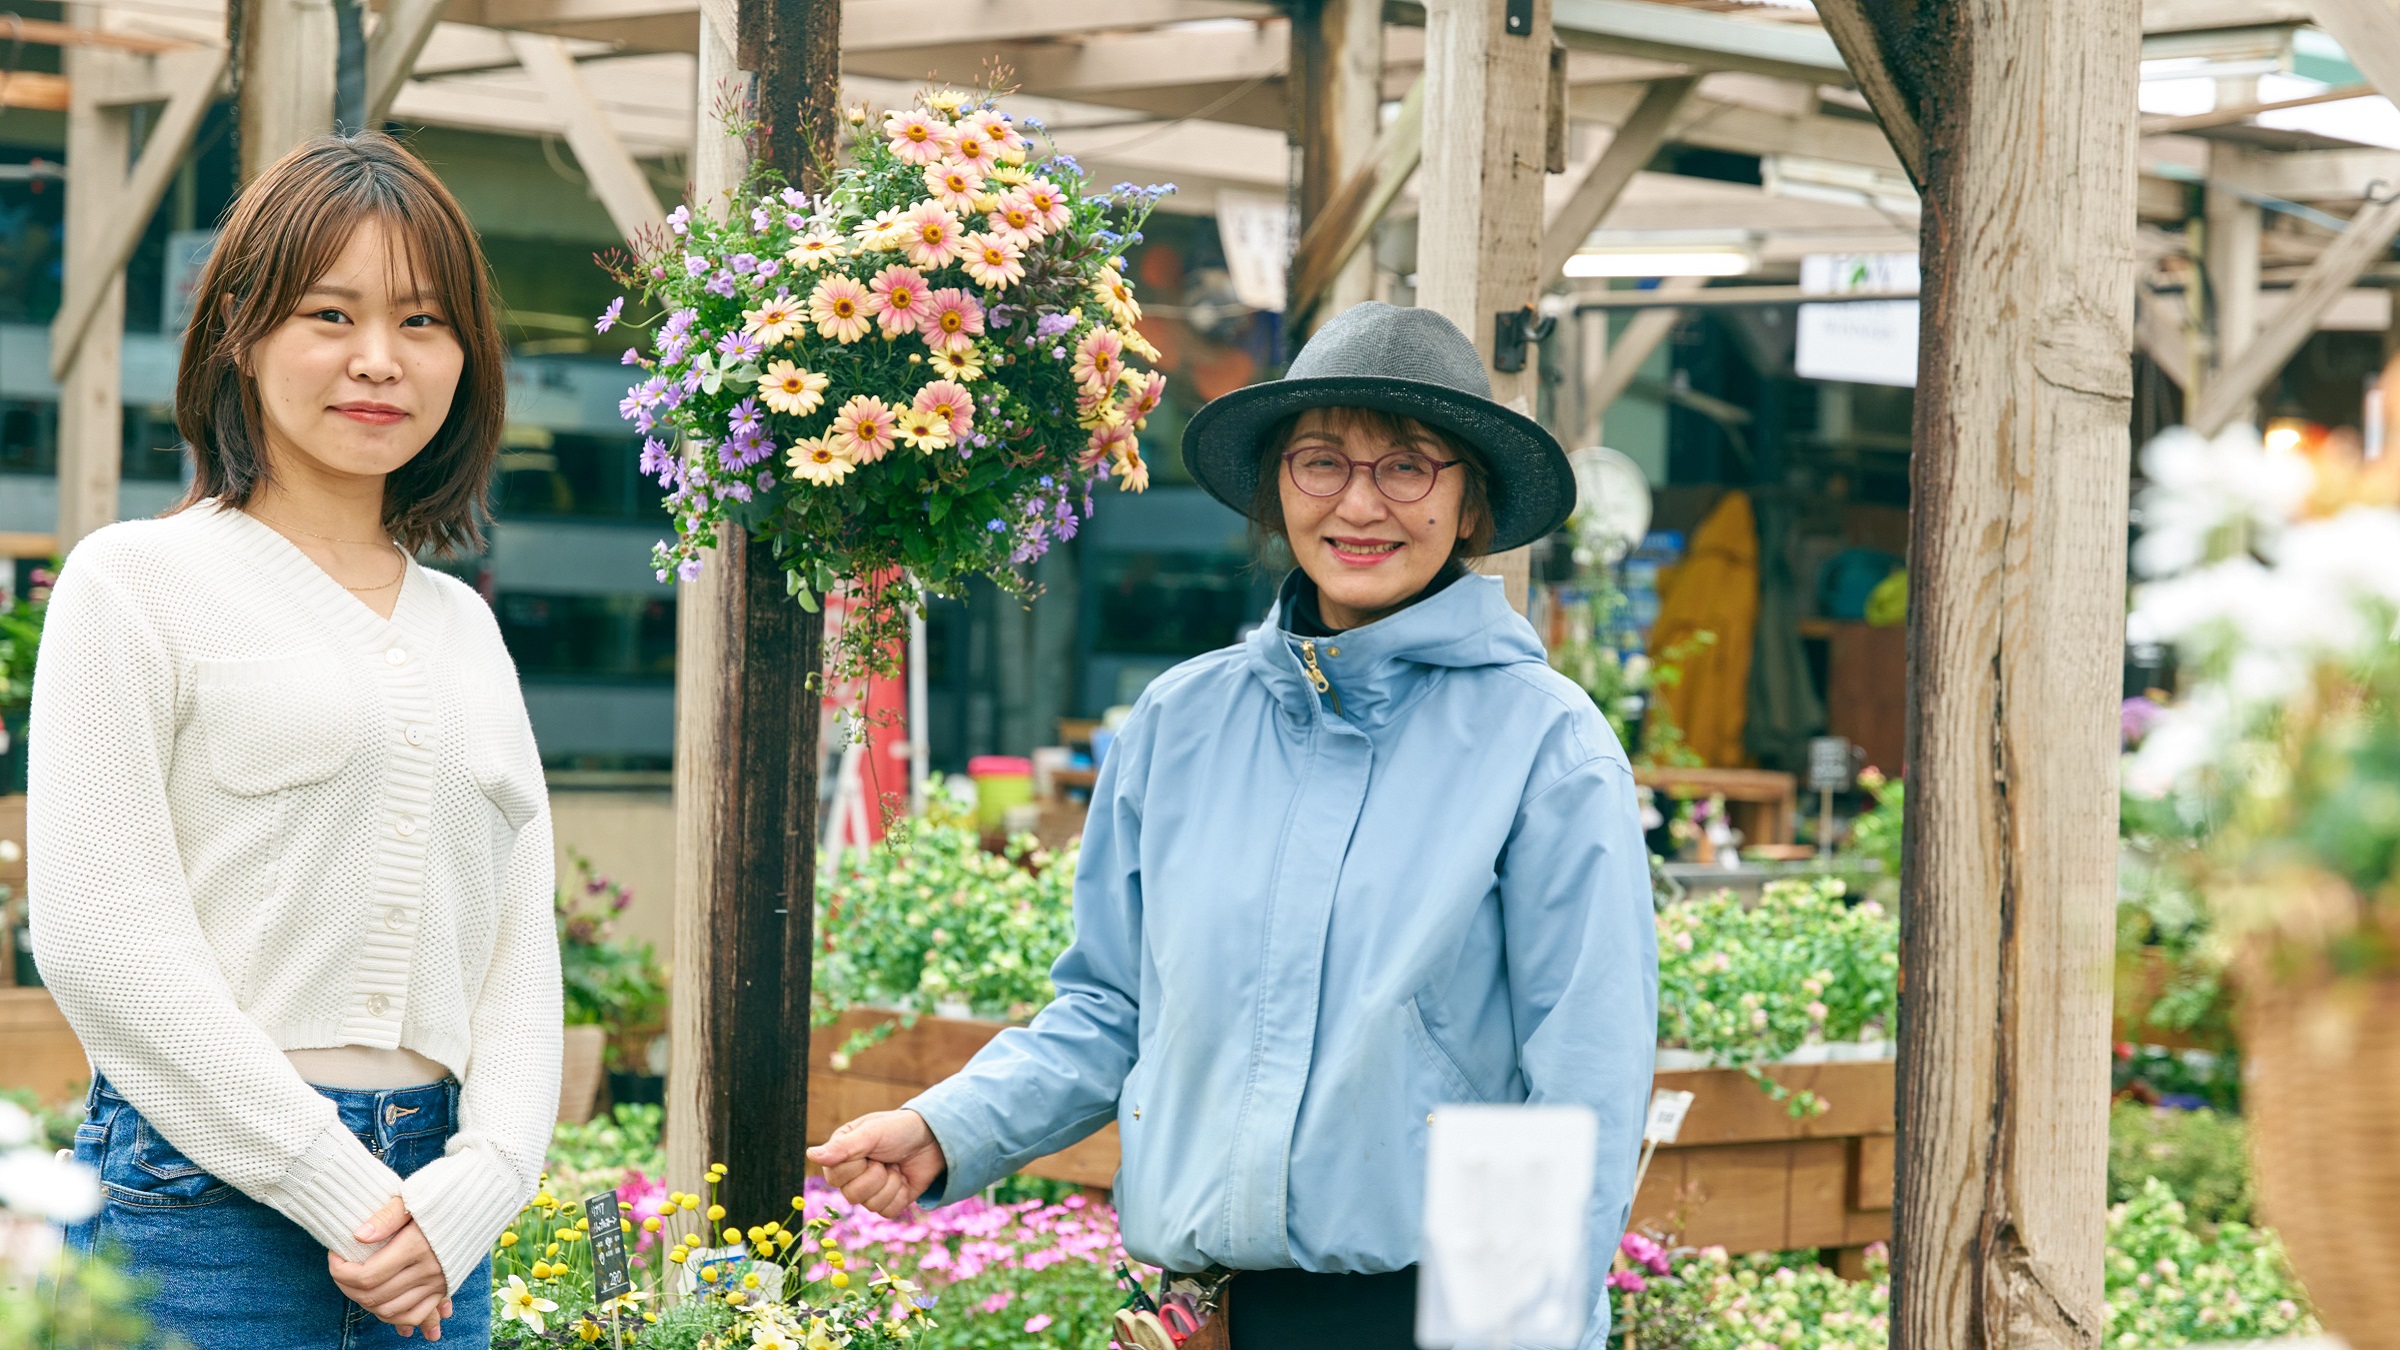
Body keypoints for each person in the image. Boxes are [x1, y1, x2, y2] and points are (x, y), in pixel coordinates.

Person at [810, 303, 1657, 1349]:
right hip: (1193, 1319)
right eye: (1320, 463)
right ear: (1276, 492)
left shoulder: (1545, 746)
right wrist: (948, 1127)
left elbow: (1584, 1089)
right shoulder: (1180, 722)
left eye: (1409, 467)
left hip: (1428, 1320)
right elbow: (1115, 1010)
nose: (1360, 503)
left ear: (1471, 505)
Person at [27, 132, 560, 1348]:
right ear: (242, 332)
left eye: (424, 322)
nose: (379, 359)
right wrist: (340, 1184)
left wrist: (480, 1185)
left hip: (437, 1232)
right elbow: (101, 939)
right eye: (331, 313)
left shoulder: (465, 631)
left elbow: (519, 951)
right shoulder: (136, 583)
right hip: (198, 1210)